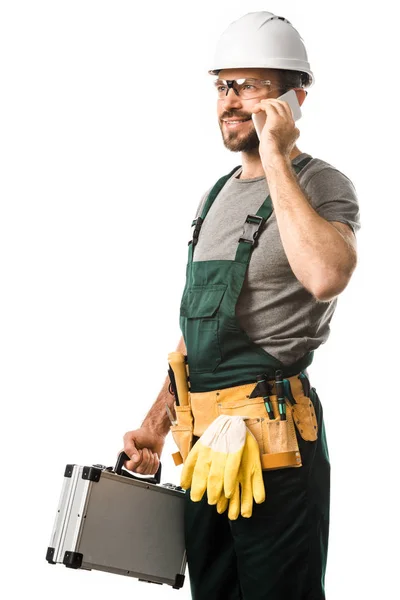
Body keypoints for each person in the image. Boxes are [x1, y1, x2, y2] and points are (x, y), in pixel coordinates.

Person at [122, 11, 360, 600]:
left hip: (274, 447)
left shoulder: (323, 183)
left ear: (295, 97)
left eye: (250, 85)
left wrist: (278, 157)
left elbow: (328, 275)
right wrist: (155, 428)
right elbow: (195, 335)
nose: (231, 102)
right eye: (224, 85)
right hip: (204, 448)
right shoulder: (217, 194)